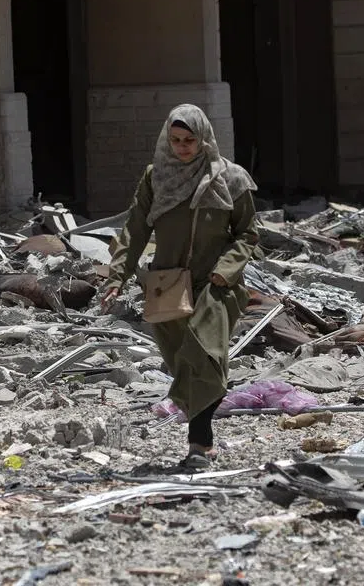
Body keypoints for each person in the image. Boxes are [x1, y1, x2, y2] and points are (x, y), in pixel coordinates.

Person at [101, 104, 259, 468]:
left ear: (203, 138)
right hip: (167, 284)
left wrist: (227, 268)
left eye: (190, 140)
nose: (183, 147)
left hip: (215, 284)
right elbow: (135, 229)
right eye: (176, 140)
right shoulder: (156, 178)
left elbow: (248, 232)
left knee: (204, 354)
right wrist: (117, 277)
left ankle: (198, 443)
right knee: (181, 362)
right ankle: (202, 432)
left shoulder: (230, 179)